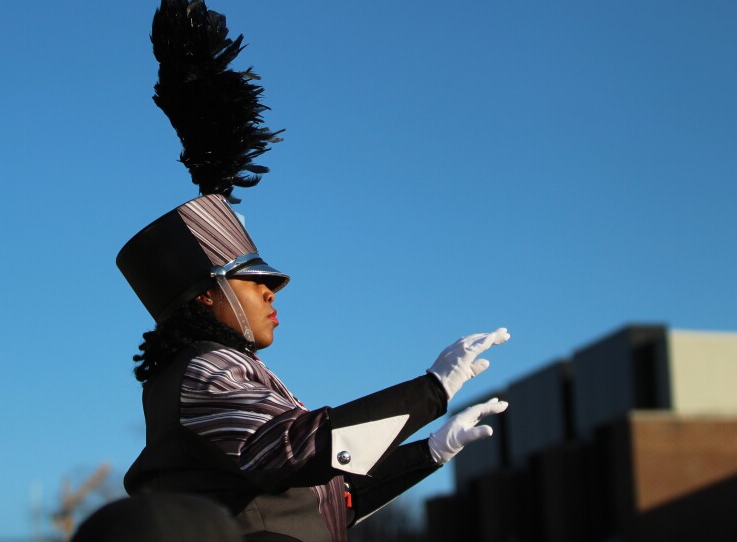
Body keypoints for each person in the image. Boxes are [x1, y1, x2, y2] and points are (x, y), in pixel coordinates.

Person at [114, 2, 511, 541]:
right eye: (253, 280)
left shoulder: (214, 369)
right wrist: (431, 391)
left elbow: (324, 508)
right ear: (205, 297)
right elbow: (299, 450)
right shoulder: (205, 369)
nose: (272, 290)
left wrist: (432, 451)